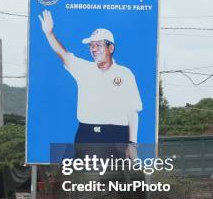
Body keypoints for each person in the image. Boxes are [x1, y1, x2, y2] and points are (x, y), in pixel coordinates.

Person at [38, 9, 142, 159]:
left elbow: (132, 112)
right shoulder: (84, 69)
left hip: (116, 136)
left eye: (98, 45)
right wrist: (49, 33)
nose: (93, 49)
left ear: (110, 48)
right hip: (86, 135)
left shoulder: (125, 74)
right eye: (91, 45)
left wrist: (132, 145)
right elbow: (63, 54)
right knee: (83, 179)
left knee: (115, 180)